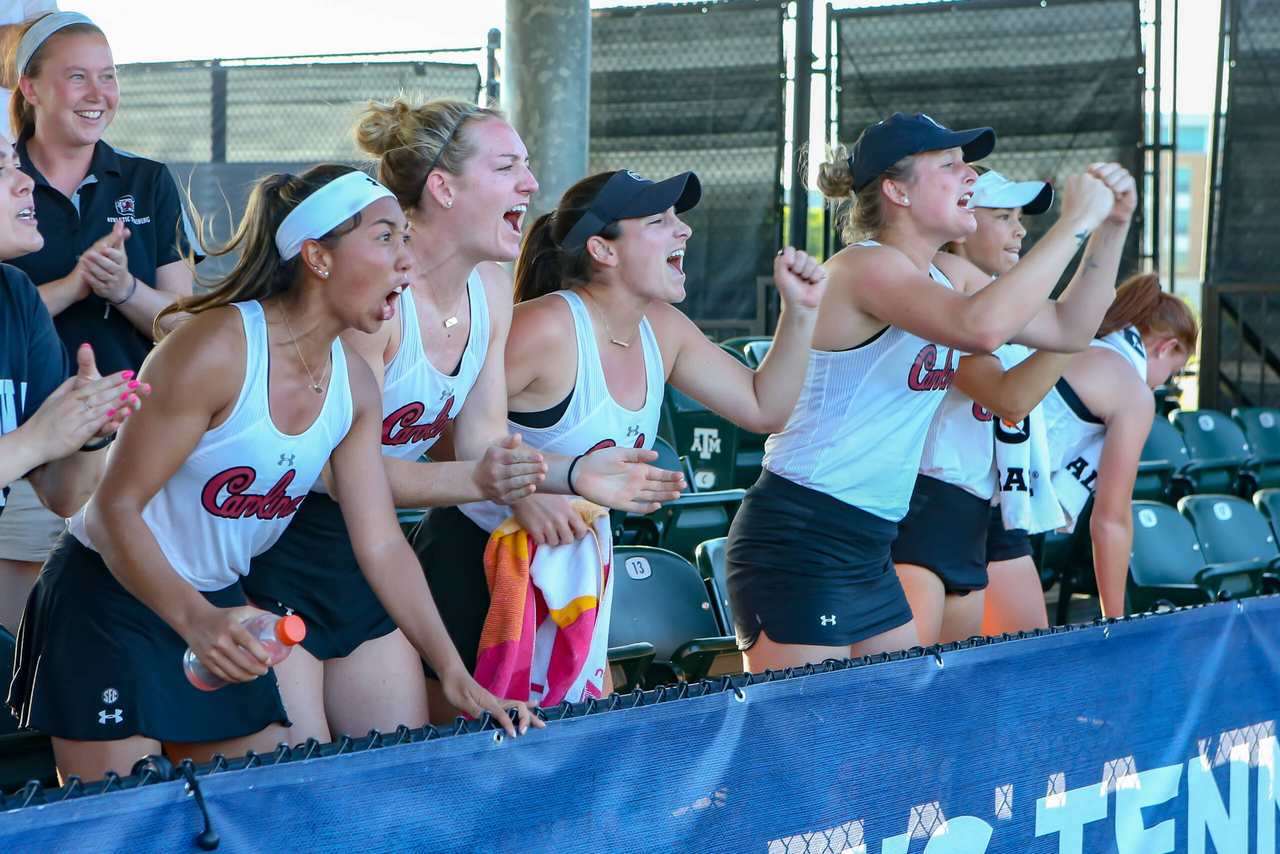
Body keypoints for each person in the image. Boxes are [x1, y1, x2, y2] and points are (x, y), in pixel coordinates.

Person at [8, 164, 541, 785]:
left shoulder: (356, 382)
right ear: (317, 257)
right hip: (109, 598)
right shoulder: (217, 348)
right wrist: (194, 618)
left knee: (272, 809)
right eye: (386, 237)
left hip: (214, 605)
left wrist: (452, 670)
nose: (407, 258)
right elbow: (109, 511)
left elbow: (380, 542)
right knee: (124, 831)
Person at [243, 98, 684, 744]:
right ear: (443, 188)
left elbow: (479, 442)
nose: (531, 185)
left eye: (527, 167)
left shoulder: (489, 290)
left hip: (370, 551)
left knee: (400, 787)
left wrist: (569, 475)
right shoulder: (378, 297)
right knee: (299, 794)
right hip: (274, 547)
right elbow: (343, 477)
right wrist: (526, 480)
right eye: (508, 167)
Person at [723, 112, 1129, 673]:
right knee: (801, 747)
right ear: (896, 190)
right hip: (801, 534)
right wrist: (1072, 223)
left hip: (868, 544)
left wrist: (1110, 227)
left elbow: (1069, 329)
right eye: (950, 165)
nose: (969, 176)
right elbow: (981, 328)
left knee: (895, 735)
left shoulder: (947, 275)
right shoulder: (864, 266)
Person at [413, 167, 825, 719]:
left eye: (678, 219)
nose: (685, 232)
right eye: (659, 221)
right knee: (467, 769)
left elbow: (762, 408)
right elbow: (439, 425)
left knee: (561, 764)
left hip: (575, 570)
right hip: (476, 564)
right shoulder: (550, 327)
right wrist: (520, 491)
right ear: (603, 250)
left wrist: (799, 314)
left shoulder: (664, 328)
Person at [0, 11, 197, 625]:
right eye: (77, 77)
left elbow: (187, 325)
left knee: (120, 624)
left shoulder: (147, 181)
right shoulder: (13, 182)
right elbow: (18, 302)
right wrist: (75, 284)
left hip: (130, 440)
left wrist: (125, 288)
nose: (97, 94)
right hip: (28, 445)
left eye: (107, 77)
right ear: (29, 89)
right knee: (31, 631)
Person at [891, 166, 1135, 644]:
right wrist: (1078, 327)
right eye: (1003, 216)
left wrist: (1113, 225)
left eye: (1020, 217)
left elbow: (1069, 321)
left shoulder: (1003, 304)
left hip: (991, 506)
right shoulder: (937, 292)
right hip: (926, 508)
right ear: (960, 224)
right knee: (909, 699)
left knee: (1017, 684)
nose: (1020, 229)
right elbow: (1011, 398)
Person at [0, 128, 143, 629]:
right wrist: (33, 441)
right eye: (1, 169)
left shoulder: (15, 295)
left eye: (15, 161)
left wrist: (89, 432)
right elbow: (29, 448)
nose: (25, 182)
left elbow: (63, 496)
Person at [1041, 272, 1197, 618]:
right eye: (1173, 372)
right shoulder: (1134, 393)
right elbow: (1110, 521)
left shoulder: (1081, 341)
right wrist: (1115, 621)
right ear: (1165, 346)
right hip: (984, 512)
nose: (1164, 384)